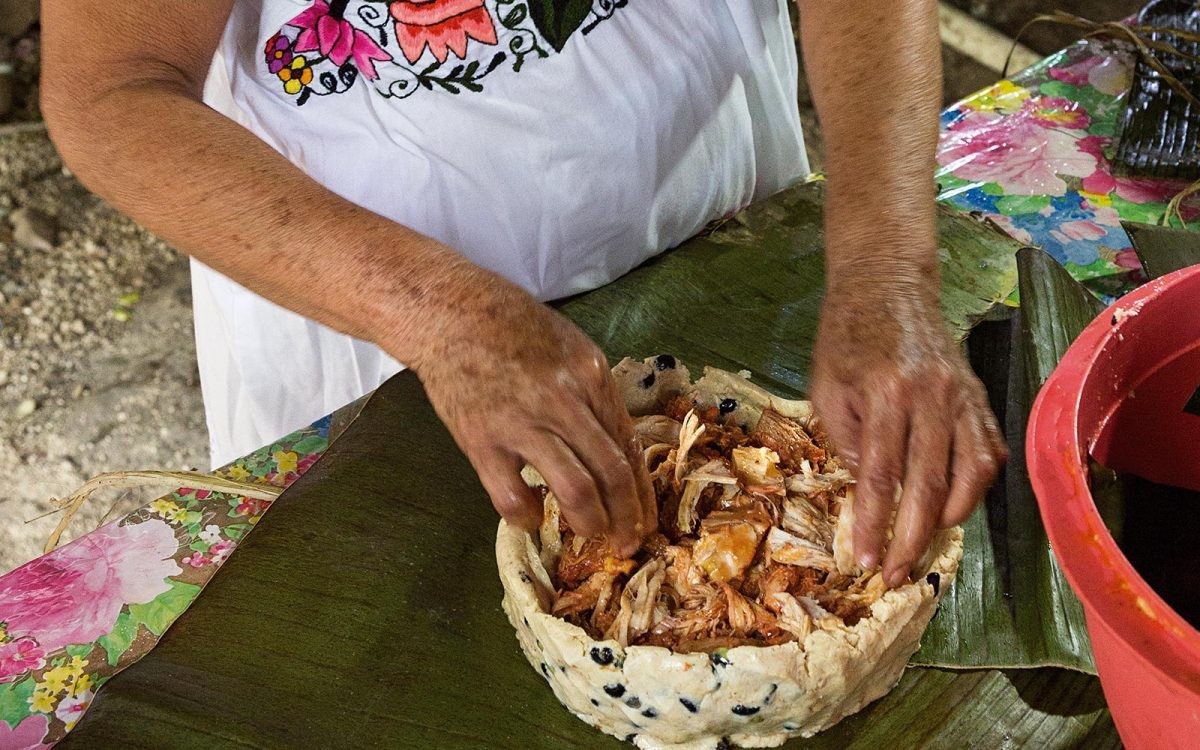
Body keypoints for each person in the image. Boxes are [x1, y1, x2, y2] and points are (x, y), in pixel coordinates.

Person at [41, 0, 1005, 588]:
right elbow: (113, 88)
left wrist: (887, 266)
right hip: (368, 318)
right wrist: (435, 313)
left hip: (720, 221)